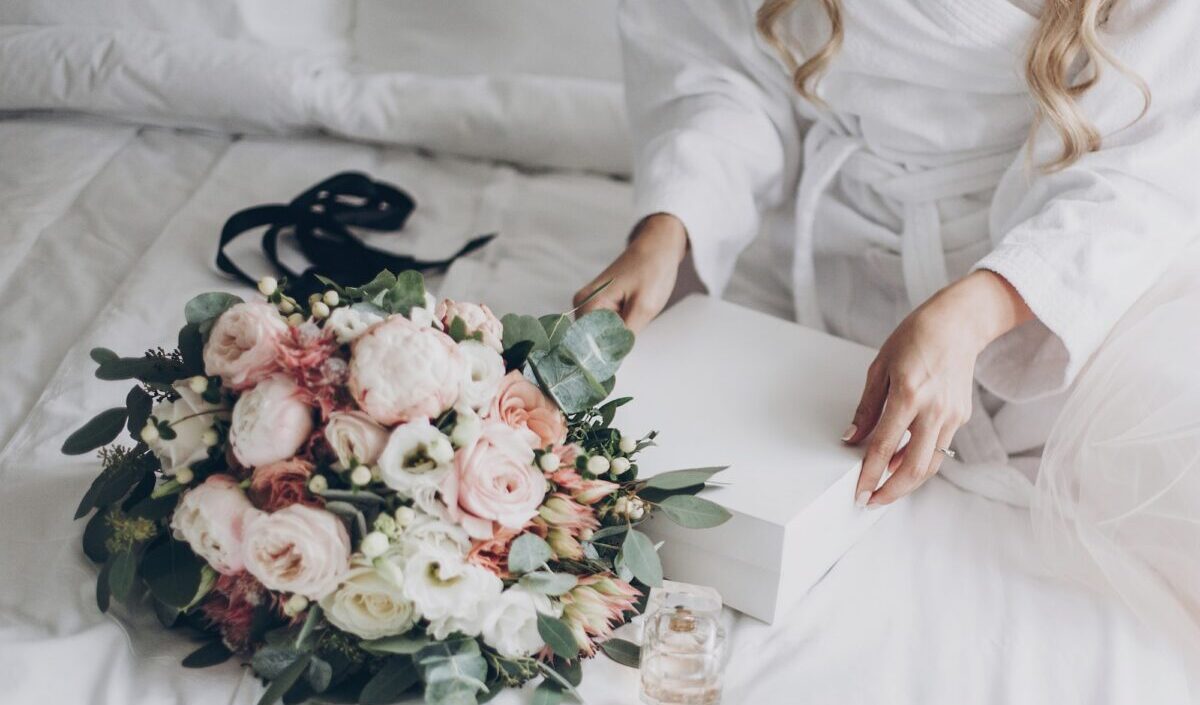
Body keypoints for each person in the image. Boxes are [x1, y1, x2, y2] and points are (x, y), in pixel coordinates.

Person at [575, 0, 1200, 667]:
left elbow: (1157, 153)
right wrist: (672, 226)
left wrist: (980, 307)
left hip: (1081, 265)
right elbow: (732, 65)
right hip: (857, 255)